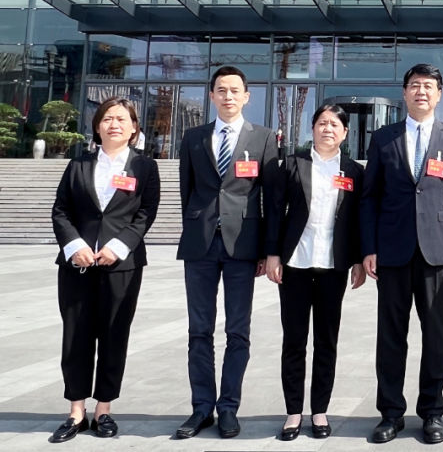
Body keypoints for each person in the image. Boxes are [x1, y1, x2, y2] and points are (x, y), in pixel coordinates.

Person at [360, 64, 443, 445]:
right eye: (414, 86)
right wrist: (369, 248)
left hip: (437, 252)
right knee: (391, 335)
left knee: (435, 335)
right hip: (391, 251)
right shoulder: (383, 138)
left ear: (439, 94)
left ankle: (432, 411)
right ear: (404, 92)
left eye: (428, 86)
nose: (421, 92)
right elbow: (370, 197)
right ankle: (390, 413)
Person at [175, 65, 278, 439]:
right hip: (200, 245)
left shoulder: (263, 138)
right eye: (222, 90)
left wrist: (268, 250)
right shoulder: (194, 137)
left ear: (247, 96)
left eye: (235, 90)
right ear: (212, 96)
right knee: (199, 330)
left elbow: (271, 198)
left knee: (238, 330)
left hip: (243, 246)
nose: (228, 96)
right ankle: (201, 407)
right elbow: (186, 190)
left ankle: (229, 407)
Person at [49, 96, 160, 443]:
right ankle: (76, 411)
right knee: (76, 335)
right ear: (97, 126)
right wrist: (75, 246)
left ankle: (104, 409)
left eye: (122, 119)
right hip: (78, 265)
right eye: (108, 118)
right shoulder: (78, 164)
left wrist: (118, 247)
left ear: (133, 128)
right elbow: (60, 210)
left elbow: (146, 213)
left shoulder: (144, 167)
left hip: (122, 265)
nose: (115, 124)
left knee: (114, 335)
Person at [265, 104, 367, 441]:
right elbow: (275, 211)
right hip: (295, 263)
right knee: (294, 340)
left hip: (332, 266)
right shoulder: (291, 164)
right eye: (322, 123)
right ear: (312, 128)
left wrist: (357, 260)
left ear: (345, 133)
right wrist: (273, 254)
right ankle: (293, 412)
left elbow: (356, 220)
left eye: (335, 125)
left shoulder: (353, 171)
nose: (328, 129)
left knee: (326, 340)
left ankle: (320, 410)